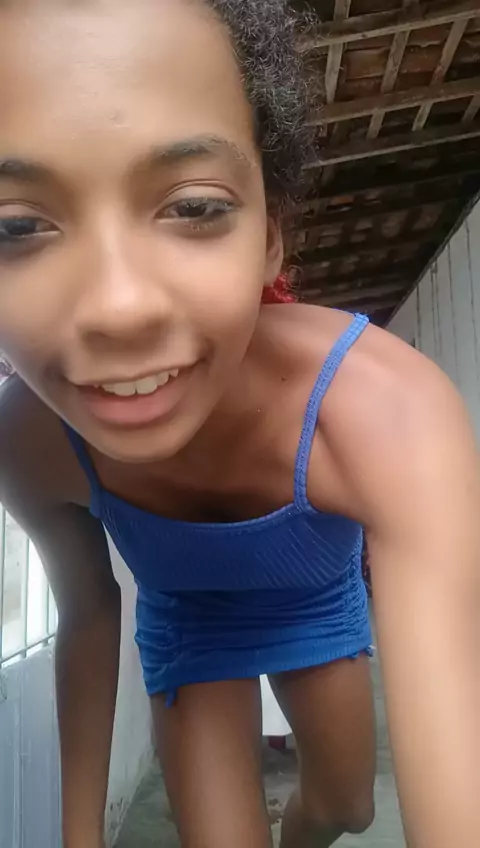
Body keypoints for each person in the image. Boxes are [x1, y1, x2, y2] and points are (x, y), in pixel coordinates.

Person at [0, 1, 478, 847]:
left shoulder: (380, 410)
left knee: (347, 808)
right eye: (16, 225)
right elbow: (87, 610)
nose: (119, 308)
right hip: (189, 622)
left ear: (270, 239)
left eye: (193, 206)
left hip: (315, 604)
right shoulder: (32, 443)